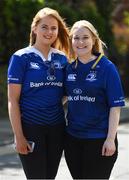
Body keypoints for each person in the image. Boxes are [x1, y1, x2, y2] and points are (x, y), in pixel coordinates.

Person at [7, 7, 70, 179]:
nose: (49, 32)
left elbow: (66, 93)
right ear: (34, 28)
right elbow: (13, 100)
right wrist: (19, 136)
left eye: (53, 28)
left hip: (57, 128)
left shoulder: (62, 58)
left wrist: (51, 105)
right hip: (30, 128)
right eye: (44, 27)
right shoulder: (20, 58)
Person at [64, 20, 125, 179]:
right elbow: (62, 96)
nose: (80, 42)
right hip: (73, 139)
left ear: (94, 40)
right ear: (71, 41)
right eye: (76, 38)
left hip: (99, 139)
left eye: (85, 37)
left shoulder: (107, 68)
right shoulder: (69, 68)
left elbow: (115, 107)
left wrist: (110, 139)